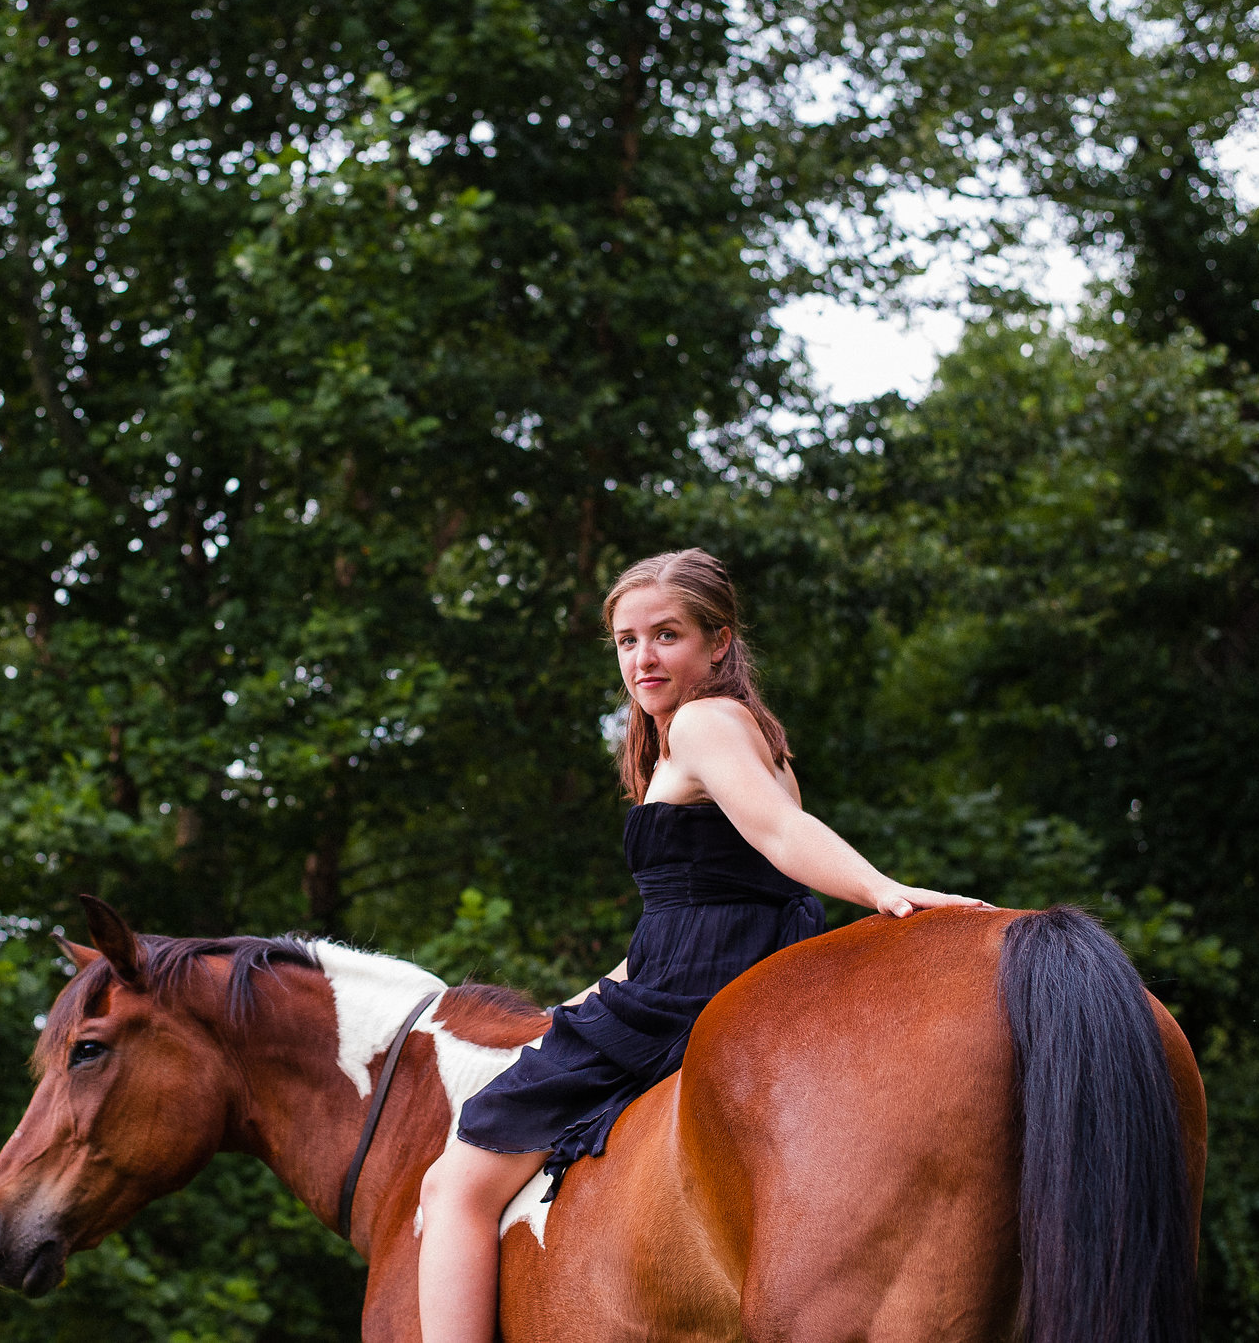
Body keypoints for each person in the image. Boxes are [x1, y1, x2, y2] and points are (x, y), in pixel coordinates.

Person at [416, 548, 988, 1343]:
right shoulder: (752, 736)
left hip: (687, 998)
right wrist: (574, 1006)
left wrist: (886, 892)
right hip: (703, 973)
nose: (643, 658)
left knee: (455, 1184)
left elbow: (783, 835)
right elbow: (687, 914)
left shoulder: (701, 721)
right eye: (626, 640)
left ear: (719, 642)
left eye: (667, 635)